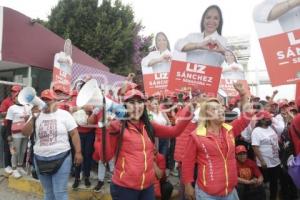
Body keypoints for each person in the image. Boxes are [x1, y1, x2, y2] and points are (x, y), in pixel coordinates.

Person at [106, 88, 192, 200]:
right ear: (125, 106)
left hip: (147, 187)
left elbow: (175, 131)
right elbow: (105, 156)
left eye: (140, 102)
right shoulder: (117, 126)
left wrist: (189, 109)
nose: (136, 107)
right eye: (131, 103)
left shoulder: (150, 125)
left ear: (144, 105)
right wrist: (107, 133)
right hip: (124, 188)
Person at [182, 83, 251, 200]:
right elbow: (187, 162)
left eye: (220, 108)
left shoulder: (230, 130)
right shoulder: (196, 135)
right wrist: (188, 186)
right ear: (206, 114)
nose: (220, 110)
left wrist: (243, 95)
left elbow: (247, 116)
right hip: (207, 193)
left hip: (230, 190)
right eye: (214, 109)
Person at [22, 89, 83, 200]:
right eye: (43, 99)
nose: (45, 102)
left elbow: (74, 134)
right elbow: (25, 133)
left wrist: (78, 152)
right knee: (48, 193)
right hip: (40, 159)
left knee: (60, 192)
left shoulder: (64, 115)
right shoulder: (36, 116)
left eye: (48, 100)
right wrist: (33, 118)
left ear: (55, 101)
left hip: (62, 157)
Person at [251, 111, 281, 200]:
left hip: (275, 161)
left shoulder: (270, 128)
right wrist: (262, 161)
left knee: (274, 183)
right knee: (265, 184)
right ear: (261, 120)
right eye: (267, 119)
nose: (269, 120)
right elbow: (255, 147)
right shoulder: (256, 131)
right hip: (265, 163)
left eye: (269, 118)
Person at [5, 90, 31, 178]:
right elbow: (8, 122)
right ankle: (14, 169)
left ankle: (20, 166)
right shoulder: (12, 108)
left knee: (23, 151)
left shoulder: (27, 107)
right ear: (14, 99)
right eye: (17, 96)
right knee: (15, 152)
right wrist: (8, 135)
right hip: (15, 134)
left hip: (25, 133)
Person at [0, 85, 22, 175]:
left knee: (16, 148)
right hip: (7, 127)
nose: (14, 93)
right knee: (7, 147)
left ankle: (16, 165)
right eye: (13, 91)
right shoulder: (7, 101)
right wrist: (11, 111)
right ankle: (7, 166)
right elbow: (1, 114)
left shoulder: (22, 102)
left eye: (16, 91)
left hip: (18, 128)